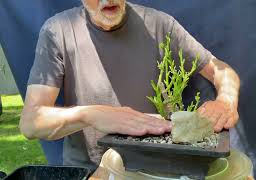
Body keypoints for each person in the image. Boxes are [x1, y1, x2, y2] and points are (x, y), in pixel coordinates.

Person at [19, 0, 240, 171]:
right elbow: (31, 123)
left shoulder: (159, 24)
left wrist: (226, 100)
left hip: (156, 165)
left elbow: (220, 70)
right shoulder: (58, 31)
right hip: (91, 169)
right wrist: (91, 114)